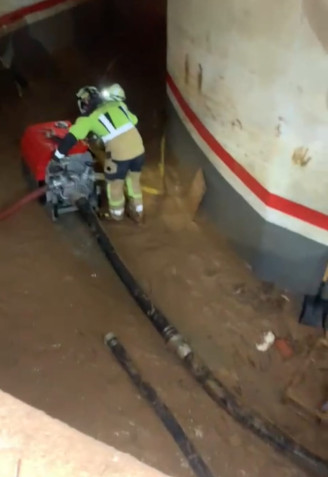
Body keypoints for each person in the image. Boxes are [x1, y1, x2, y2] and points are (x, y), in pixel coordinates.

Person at [52, 84, 145, 222]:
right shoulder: (118, 104)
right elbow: (134, 121)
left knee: (115, 185)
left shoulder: (88, 118)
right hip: (138, 149)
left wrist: (57, 156)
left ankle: (116, 215)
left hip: (119, 154)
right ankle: (138, 212)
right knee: (133, 180)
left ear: (84, 103)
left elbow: (71, 138)